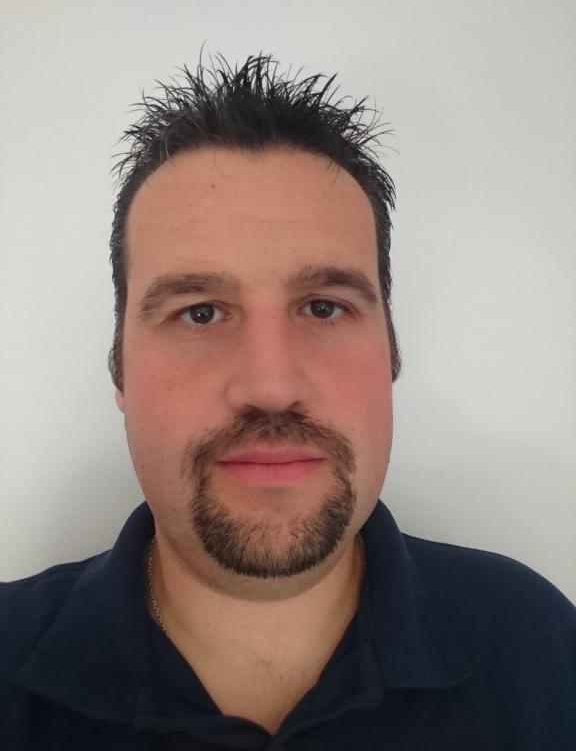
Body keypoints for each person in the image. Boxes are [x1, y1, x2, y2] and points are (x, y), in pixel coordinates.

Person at [1, 54, 575, 750]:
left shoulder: (541, 646)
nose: (271, 386)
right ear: (118, 368)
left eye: (324, 307)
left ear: (392, 355)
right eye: (200, 312)